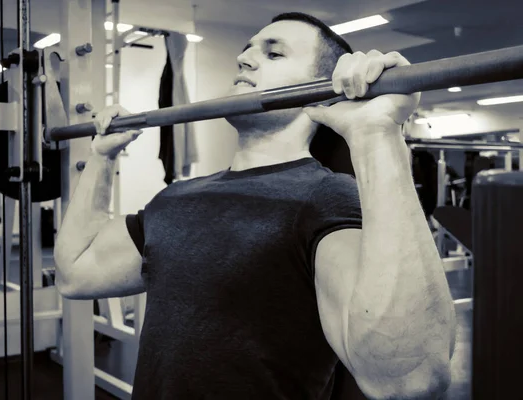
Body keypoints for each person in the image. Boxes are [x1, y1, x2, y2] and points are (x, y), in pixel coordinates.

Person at [54, 11, 457, 400]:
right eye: (247, 50)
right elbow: (76, 273)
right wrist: (102, 158)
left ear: (321, 86)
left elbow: (407, 379)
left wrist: (376, 134)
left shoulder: (325, 199)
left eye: (273, 52)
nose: (244, 59)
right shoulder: (176, 198)